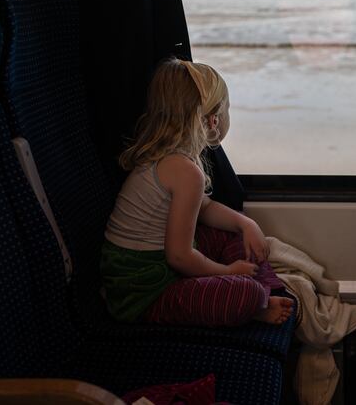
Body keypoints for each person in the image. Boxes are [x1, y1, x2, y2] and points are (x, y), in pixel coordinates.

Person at [100, 58, 293, 326]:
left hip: (148, 266)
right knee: (244, 292)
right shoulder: (186, 172)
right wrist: (227, 271)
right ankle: (258, 298)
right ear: (213, 121)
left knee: (232, 233)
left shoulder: (170, 156)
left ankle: (257, 287)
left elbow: (204, 208)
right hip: (143, 290)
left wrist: (245, 223)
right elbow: (179, 256)